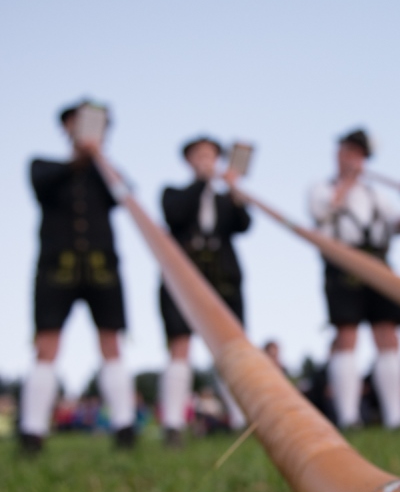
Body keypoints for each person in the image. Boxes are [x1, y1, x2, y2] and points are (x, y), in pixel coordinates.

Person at [19, 99, 137, 452]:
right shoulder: (44, 166)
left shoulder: (106, 174)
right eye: (77, 122)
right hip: (58, 267)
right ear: (66, 127)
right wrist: (80, 159)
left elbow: (127, 195)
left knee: (111, 343)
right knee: (47, 345)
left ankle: (124, 425)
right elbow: (42, 184)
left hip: (102, 268)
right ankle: (32, 430)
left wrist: (99, 158)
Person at [309, 128, 400, 429]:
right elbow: (320, 214)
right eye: (348, 153)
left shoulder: (376, 194)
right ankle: (348, 417)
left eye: (358, 155)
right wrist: (345, 183)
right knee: (346, 335)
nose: (352, 159)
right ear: (339, 154)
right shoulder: (321, 187)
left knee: (388, 335)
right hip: (343, 262)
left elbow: (396, 225)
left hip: (377, 262)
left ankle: (395, 418)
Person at [159, 137, 252, 445]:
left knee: (230, 347)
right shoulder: (174, 193)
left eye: (211, 155)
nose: (206, 160)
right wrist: (202, 182)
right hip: (184, 273)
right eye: (200, 155)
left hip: (223, 276)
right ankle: (173, 423)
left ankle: (241, 420)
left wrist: (235, 190)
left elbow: (244, 224)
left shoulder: (226, 199)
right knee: (180, 343)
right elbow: (175, 215)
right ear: (189, 160)